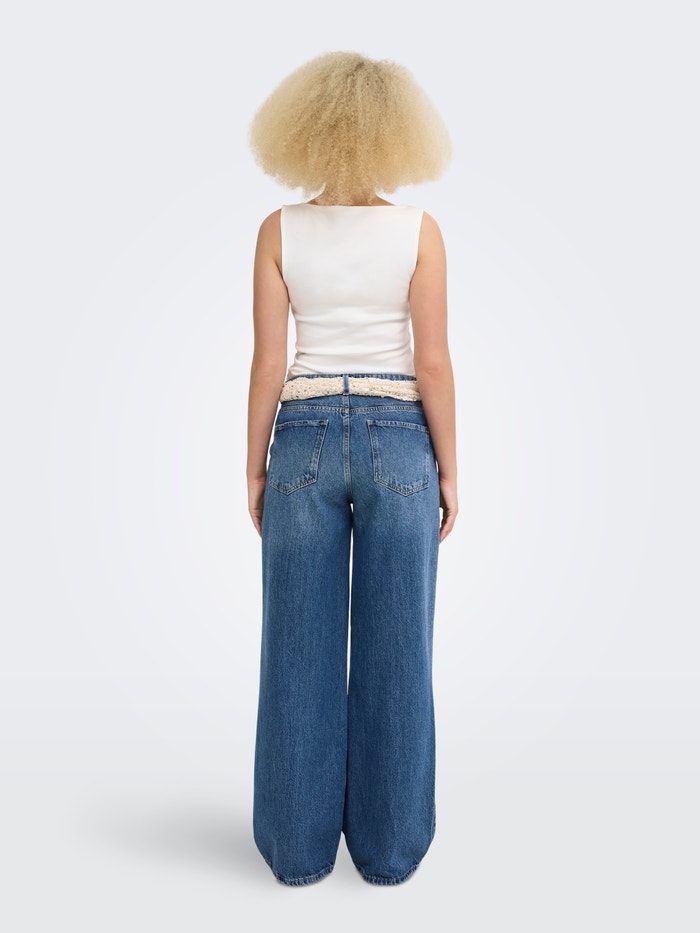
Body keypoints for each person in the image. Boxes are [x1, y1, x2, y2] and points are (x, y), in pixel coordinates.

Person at [246, 50, 458, 887]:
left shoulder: (278, 230)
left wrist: (254, 466)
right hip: (400, 434)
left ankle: (296, 851)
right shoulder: (419, 232)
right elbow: (432, 362)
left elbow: (269, 363)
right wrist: (449, 468)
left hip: (299, 436)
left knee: (296, 647)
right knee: (399, 648)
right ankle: (390, 850)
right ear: (398, 133)